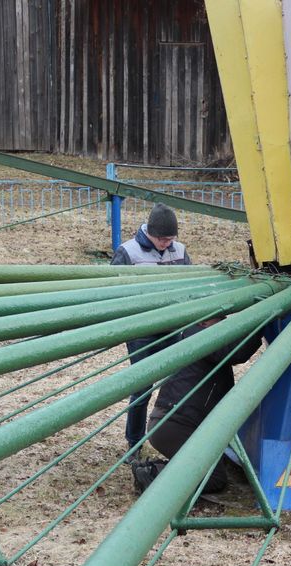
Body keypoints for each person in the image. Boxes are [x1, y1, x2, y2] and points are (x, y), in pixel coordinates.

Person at [132, 318, 263, 494]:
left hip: (171, 423)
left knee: (206, 469)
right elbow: (238, 352)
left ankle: (155, 469)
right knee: (214, 479)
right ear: (206, 321)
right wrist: (262, 324)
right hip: (176, 426)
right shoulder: (203, 339)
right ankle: (151, 473)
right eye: (221, 320)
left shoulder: (193, 337)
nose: (225, 325)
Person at [112, 203, 193, 456]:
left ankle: (175, 437)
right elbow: (112, 291)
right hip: (142, 329)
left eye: (170, 238)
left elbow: (191, 284)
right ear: (149, 232)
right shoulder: (128, 252)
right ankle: (134, 443)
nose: (165, 243)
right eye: (161, 238)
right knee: (142, 386)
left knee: (179, 382)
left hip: (172, 326)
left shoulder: (179, 251)